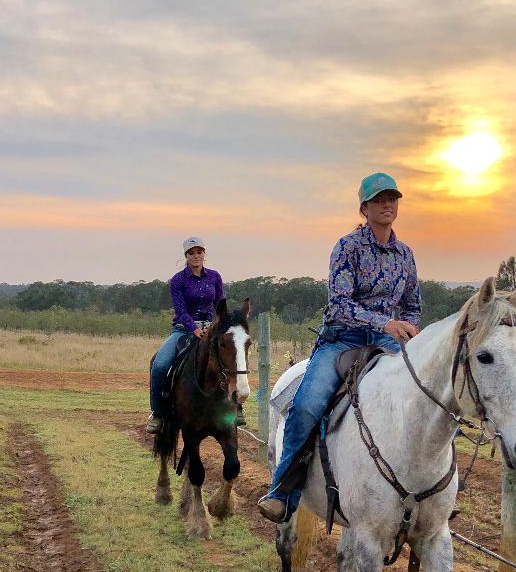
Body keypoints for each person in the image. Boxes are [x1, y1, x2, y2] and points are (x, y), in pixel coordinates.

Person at [258, 173, 421, 523]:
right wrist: (384, 323)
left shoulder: (405, 255)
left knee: (425, 395)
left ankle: (428, 494)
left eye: (392, 199)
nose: (387, 205)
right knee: (306, 407)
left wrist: (408, 328)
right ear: (364, 208)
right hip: (342, 339)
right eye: (379, 200)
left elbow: (411, 305)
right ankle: (283, 491)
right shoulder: (347, 247)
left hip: (386, 341)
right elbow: (340, 304)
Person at [146, 237, 243, 433]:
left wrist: (217, 326)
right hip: (183, 329)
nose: (196, 256)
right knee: (159, 365)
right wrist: (195, 329)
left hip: (212, 329)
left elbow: (220, 305)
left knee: (233, 359)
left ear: (204, 254)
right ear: (186, 256)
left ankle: (238, 408)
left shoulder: (214, 277)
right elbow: (180, 311)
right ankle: (157, 413)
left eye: (199, 252)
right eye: (192, 253)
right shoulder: (177, 281)